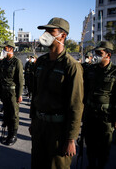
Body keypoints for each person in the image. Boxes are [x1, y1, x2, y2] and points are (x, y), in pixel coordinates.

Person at [30, 17, 84, 169]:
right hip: (40, 125)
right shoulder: (41, 62)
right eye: (45, 31)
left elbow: (76, 105)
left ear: (63, 35)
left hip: (59, 131)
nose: (45, 34)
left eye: (50, 31)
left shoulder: (71, 67)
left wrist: (71, 139)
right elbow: (36, 94)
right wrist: (33, 120)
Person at [83, 41, 116, 169]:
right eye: (96, 53)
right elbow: (85, 91)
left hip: (106, 116)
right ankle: (91, 165)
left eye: (99, 53)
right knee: (89, 143)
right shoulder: (91, 69)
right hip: (91, 113)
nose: (96, 55)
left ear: (108, 54)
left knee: (104, 147)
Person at [0, 40, 23, 146]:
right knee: (6, 113)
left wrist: (19, 94)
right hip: (4, 91)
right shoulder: (1, 62)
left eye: (5, 48)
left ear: (11, 49)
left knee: (14, 114)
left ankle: (13, 135)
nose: (3, 50)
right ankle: (7, 134)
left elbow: (20, 80)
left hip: (13, 92)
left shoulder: (17, 62)